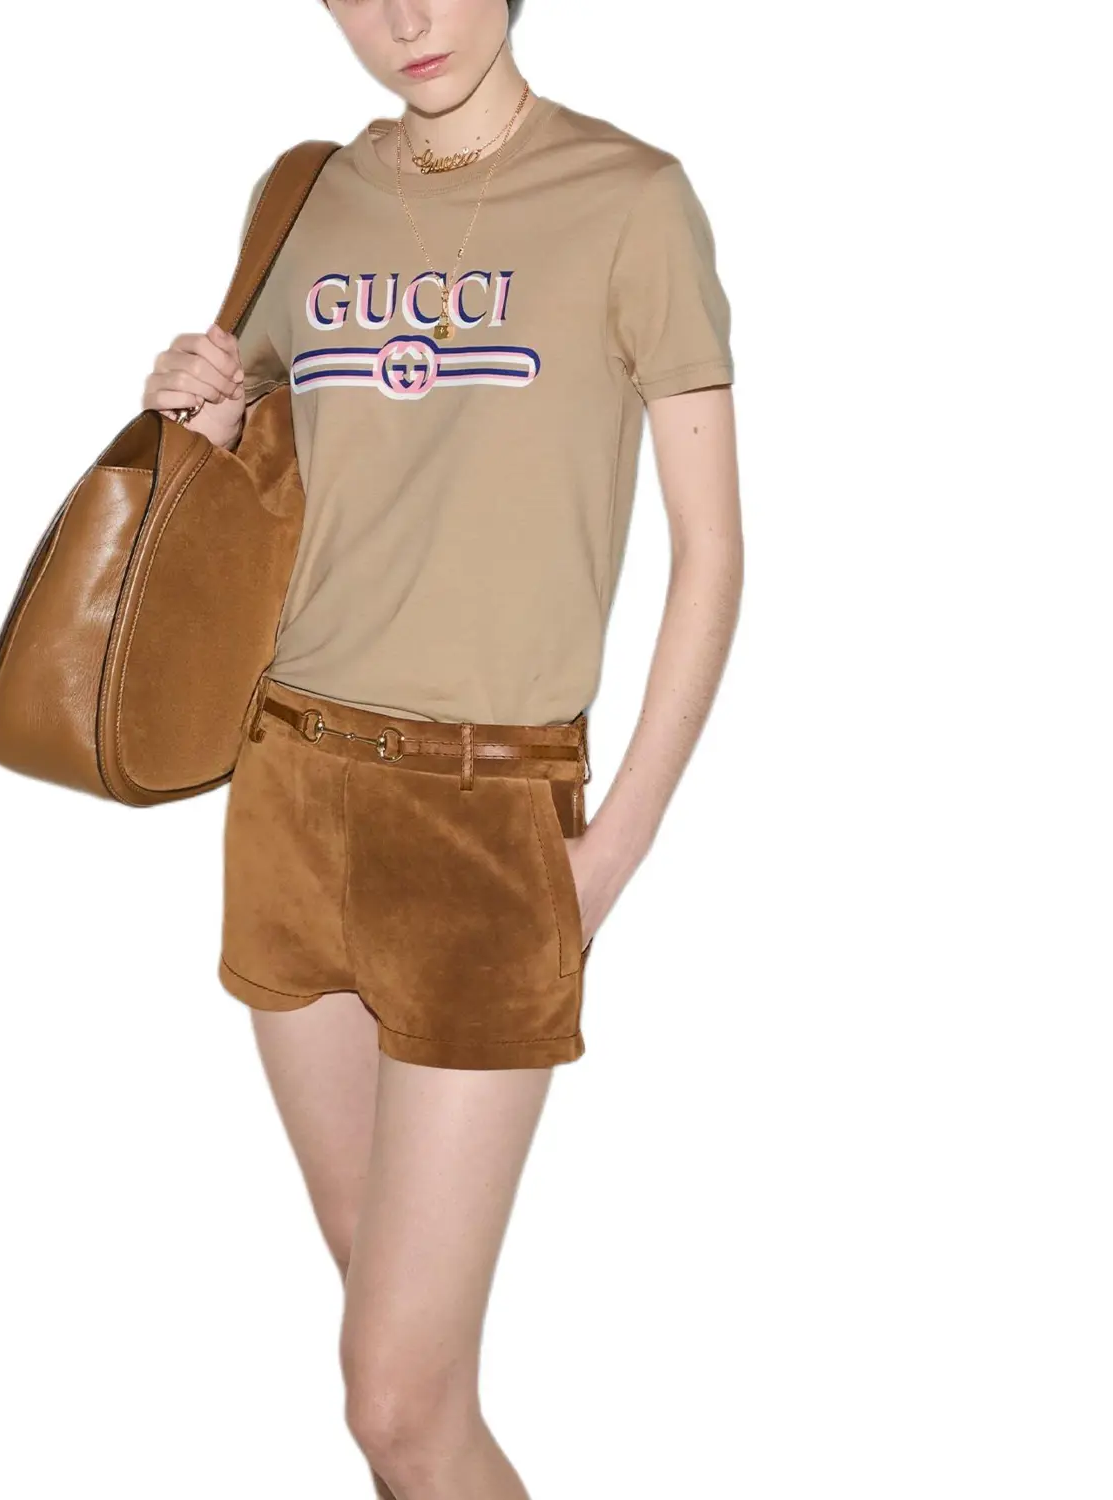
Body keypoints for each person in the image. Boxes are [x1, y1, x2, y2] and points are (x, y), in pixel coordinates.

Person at [139, 3, 742, 1496]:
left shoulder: (630, 198)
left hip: (489, 820)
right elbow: (259, 489)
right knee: (389, 1358)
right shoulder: (309, 198)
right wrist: (198, 419)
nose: (404, 19)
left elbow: (713, 554)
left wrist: (609, 854)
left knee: (399, 1403)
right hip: (289, 792)